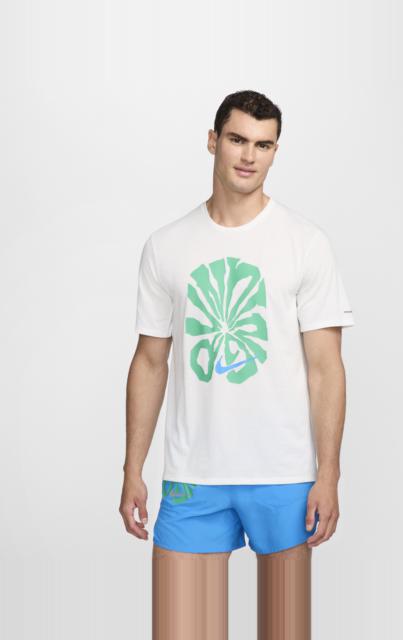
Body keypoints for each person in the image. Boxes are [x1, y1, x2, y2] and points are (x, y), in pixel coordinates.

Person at [119, 89, 355, 640]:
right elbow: (150, 362)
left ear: (275, 151)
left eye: (264, 145)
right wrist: (132, 469)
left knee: (285, 628)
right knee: (183, 629)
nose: (249, 156)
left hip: (284, 475)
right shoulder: (166, 245)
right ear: (213, 141)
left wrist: (329, 474)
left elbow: (326, 368)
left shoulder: (305, 243)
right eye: (238, 140)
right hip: (193, 475)